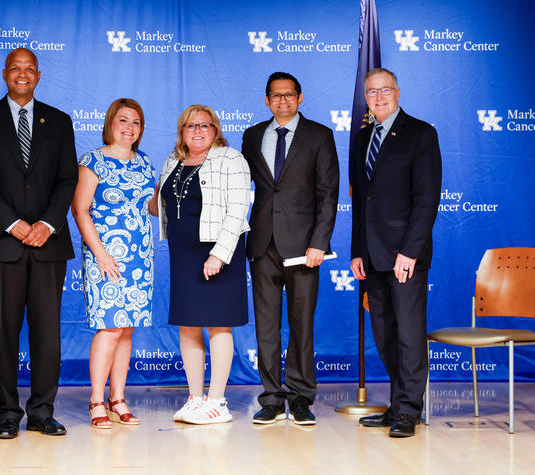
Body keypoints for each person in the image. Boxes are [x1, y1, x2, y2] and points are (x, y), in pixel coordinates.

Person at [0, 48, 78, 439]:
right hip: (1, 245)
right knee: (4, 331)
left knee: (47, 333)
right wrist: (13, 224)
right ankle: (8, 413)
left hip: (48, 245)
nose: (22, 74)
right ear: (4, 74)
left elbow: (67, 180)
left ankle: (43, 412)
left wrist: (47, 223)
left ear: (39, 75)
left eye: (29, 69)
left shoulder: (60, 121)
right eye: (15, 69)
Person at [242, 72, 339, 426]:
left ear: (299, 97)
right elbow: (240, 186)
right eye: (275, 96)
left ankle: (300, 398)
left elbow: (328, 194)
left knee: (302, 326)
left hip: (304, 249)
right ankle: (270, 398)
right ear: (266, 100)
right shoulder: (252, 136)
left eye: (289, 95)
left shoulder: (320, 136)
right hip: (262, 244)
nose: (282, 101)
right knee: (266, 327)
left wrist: (319, 242)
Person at [349, 68, 441, 438]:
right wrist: (357, 251)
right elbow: (360, 201)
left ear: (398, 92)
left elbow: (426, 199)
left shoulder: (421, 133)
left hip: (405, 257)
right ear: (366, 98)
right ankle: (397, 404)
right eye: (372, 92)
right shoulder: (362, 138)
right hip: (371, 256)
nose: (379, 96)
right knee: (385, 333)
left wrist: (410, 252)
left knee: (409, 335)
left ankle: (408, 412)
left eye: (385, 90)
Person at [150, 105, 250, 424]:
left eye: (205, 126)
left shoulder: (230, 159)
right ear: (181, 130)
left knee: (219, 322)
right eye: (190, 126)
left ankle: (217, 401)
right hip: (183, 252)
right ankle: (195, 398)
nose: (197, 131)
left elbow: (238, 209)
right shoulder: (172, 161)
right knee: (188, 323)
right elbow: (160, 206)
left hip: (217, 250)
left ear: (215, 129)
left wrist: (219, 254)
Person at [72, 98, 156, 429]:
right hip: (104, 254)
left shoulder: (145, 162)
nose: (129, 127)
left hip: (140, 255)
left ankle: (118, 398)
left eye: (136, 122)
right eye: (123, 120)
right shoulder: (92, 161)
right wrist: (101, 254)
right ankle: (96, 400)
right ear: (111, 123)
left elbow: (151, 207)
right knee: (109, 327)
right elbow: (80, 210)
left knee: (126, 328)